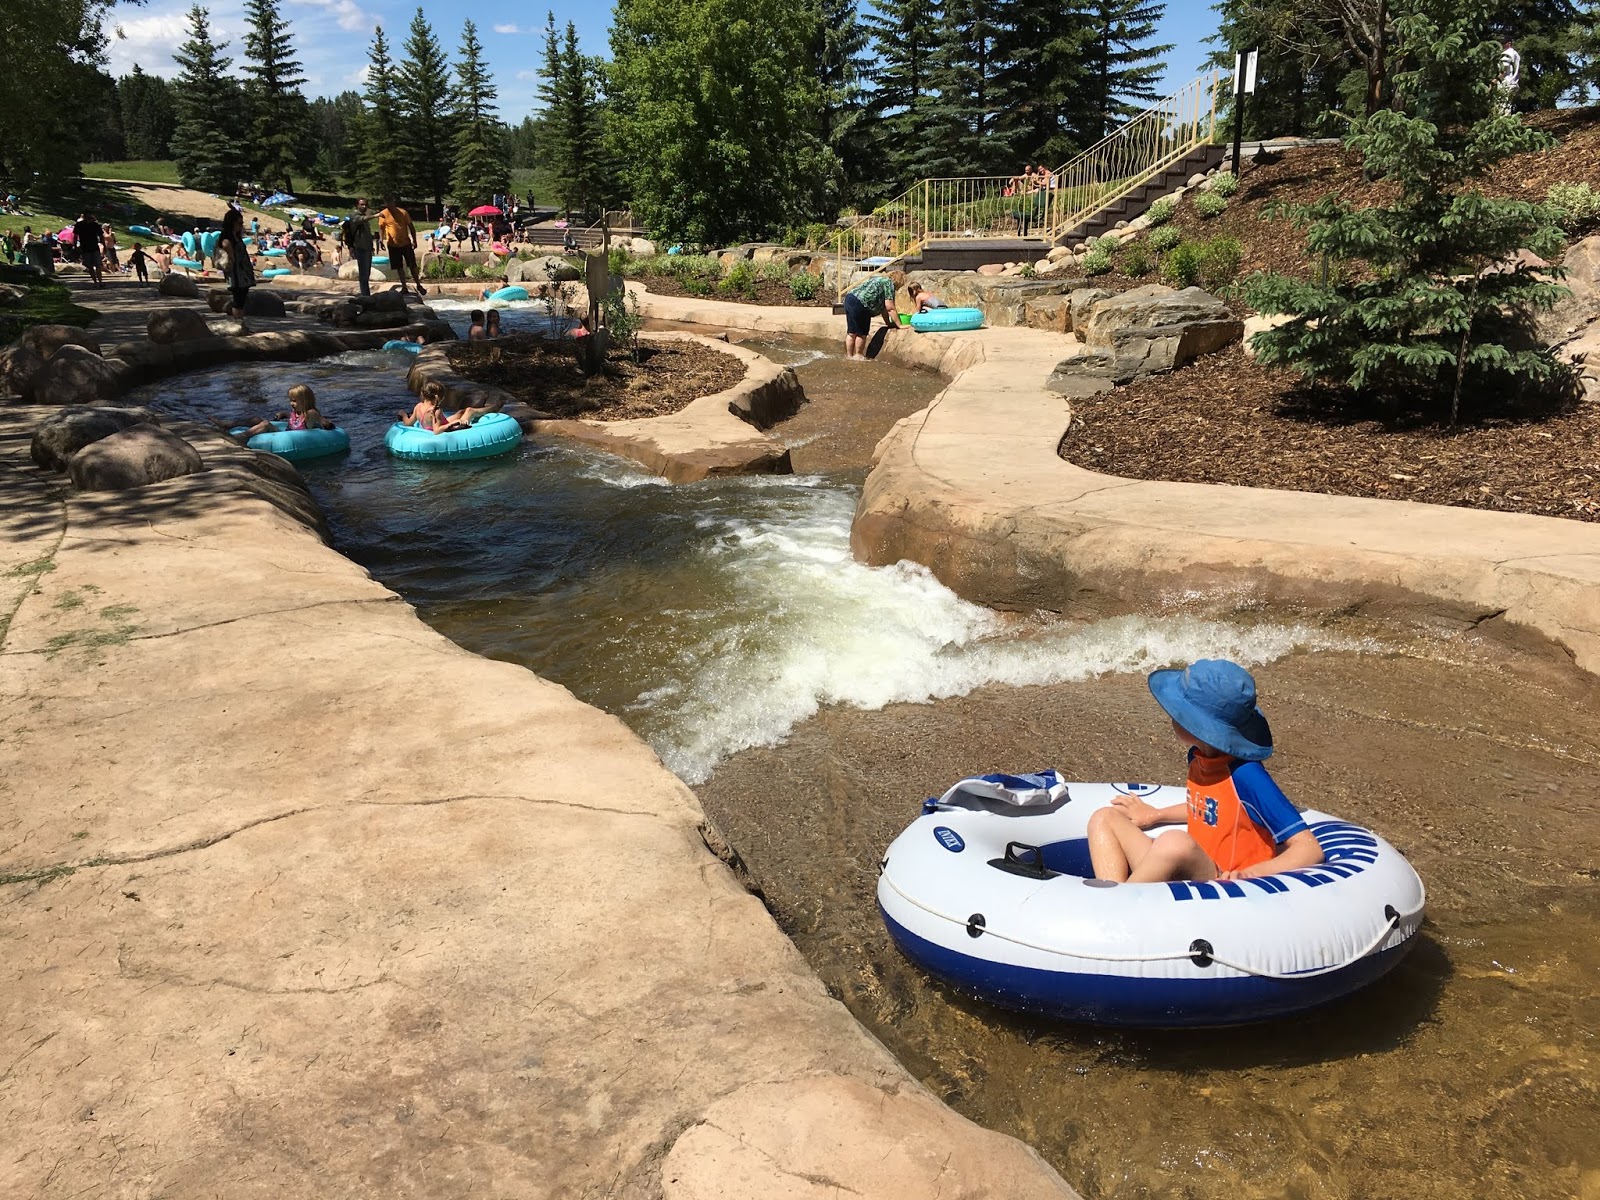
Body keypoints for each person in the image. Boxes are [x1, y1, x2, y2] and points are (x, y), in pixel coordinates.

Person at [1086, 660, 1326, 884]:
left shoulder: (1247, 775)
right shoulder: (1198, 757)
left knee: (1174, 842)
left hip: (1221, 883)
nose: (1171, 716)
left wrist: (1252, 874)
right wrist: (1156, 815)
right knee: (1104, 818)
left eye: (1177, 712)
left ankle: (1119, 903)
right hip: (1189, 867)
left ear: (1197, 726)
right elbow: (1208, 809)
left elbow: (1309, 848)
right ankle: (1113, 894)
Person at [231, 384, 328, 443]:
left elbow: (319, 418)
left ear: (305, 401)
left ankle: (243, 436)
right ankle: (229, 424)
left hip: (289, 439)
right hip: (285, 434)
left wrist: (325, 422)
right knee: (256, 419)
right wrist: (283, 414)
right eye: (290, 400)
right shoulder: (296, 412)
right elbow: (292, 418)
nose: (291, 403)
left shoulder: (310, 414)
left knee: (265, 424)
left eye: (294, 401)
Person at [841, 271, 902, 361]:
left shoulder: (878, 279)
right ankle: (858, 356)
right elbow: (890, 307)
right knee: (861, 333)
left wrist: (888, 323)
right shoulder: (889, 284)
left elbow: (884, 309)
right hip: (861, 304)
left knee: (851, 332)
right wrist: (900, 325)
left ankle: (849, 356)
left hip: (850, 299)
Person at [379, 195, 426, 296]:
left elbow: (411, 227)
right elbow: (381, 228)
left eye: (391, 202)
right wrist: (381, 240)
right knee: (399, 267)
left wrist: (415, 240)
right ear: (385, 204)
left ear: (394, 202)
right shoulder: (383, 214)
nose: (390, 205)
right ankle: (404, 287)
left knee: (412, 265)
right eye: (388, 203)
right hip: (392, 245)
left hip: (405, 243)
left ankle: (418, 284)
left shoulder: (403, 212)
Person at [216, 207, 255, 319]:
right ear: (232, 223)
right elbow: (231, 255)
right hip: (236, 274)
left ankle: (240, 320)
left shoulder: (236, 237)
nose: (241, 226)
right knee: (238, 299)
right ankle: (238, 321)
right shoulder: (227, 239)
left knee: (241, 299)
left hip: (243, 273)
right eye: (239, 223)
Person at [343, 198, 375, 296]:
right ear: (357, 205)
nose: (364, 206)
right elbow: (361, 220)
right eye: (362, 204)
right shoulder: (354, 216)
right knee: (363, 273)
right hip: (359, 248)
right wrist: (375, 215)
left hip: (367, 248)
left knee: (366, 273)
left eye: (365, 205)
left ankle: (366, 294)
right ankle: (365, 295)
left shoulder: (364, 217)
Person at [73, 211, 105, 287]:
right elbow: (75, 236)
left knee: (96, 265)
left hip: (92, 247)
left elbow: (101, 236)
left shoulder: (94, 225)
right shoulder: (80, 225)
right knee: (92, 266)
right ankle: (96, 282)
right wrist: (75, 245)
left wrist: (104, 245)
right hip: (86, 247)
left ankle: (99, 282)